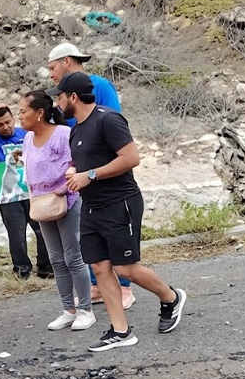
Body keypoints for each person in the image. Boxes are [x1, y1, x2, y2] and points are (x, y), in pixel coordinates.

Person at [49, 72, 187, 351]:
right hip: (91, 207)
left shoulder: (108, 119)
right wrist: (75, 173)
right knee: (100, 268)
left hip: (119, 203)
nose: (57, 103)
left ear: (73, 97)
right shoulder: (76, 129)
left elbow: (131, 158)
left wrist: (90, 174)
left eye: (59, 97)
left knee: (125, 268)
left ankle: (171, 297)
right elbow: (87, 163)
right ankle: (121, 331)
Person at [48, 42, 136, 310]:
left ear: (66, 61)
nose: (51, 74)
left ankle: (126, 287)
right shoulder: (62, 100)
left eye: (52, 67)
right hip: (83, 176)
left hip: (109, 180)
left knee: (117, 239)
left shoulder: (101, 87)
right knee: (90, 239)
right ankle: (98, 286)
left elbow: (115, 129)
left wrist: (93, 171)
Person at [19, 91, 96, 331]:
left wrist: (64, 187)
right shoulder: (28, 139)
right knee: (56, 259)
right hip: (42, 204)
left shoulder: (63, 134)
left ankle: (86, 310)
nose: (19, 116)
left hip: (67, 200)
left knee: (73, 256)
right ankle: (68, 310)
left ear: (39, 113)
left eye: (23, 111)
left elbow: (78, 162)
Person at [0, 103, 52, 279]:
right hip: (8, 197)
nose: (6, 127)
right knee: (16, 236)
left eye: (8, 122)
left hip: (32, 192)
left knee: (43, 230)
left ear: (13, 119)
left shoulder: (26, 134)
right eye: (0, 124)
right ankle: (22, 270)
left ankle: (45, 267)